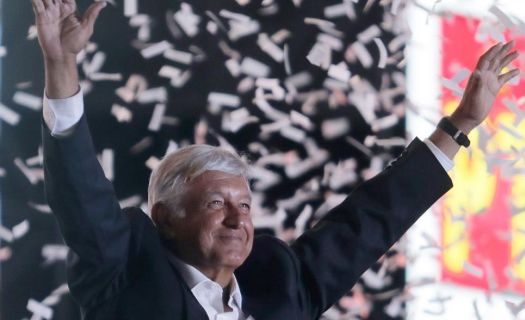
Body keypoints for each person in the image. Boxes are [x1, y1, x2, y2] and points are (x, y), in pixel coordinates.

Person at [33, 0, 519, 319]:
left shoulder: (278, 283)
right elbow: (81, 196)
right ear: (166, 218)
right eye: (216, 203)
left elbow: (367, 222)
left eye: (244, 206)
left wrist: (458, 127)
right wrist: (61, 67)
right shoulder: (127, 270)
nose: (236, 219)